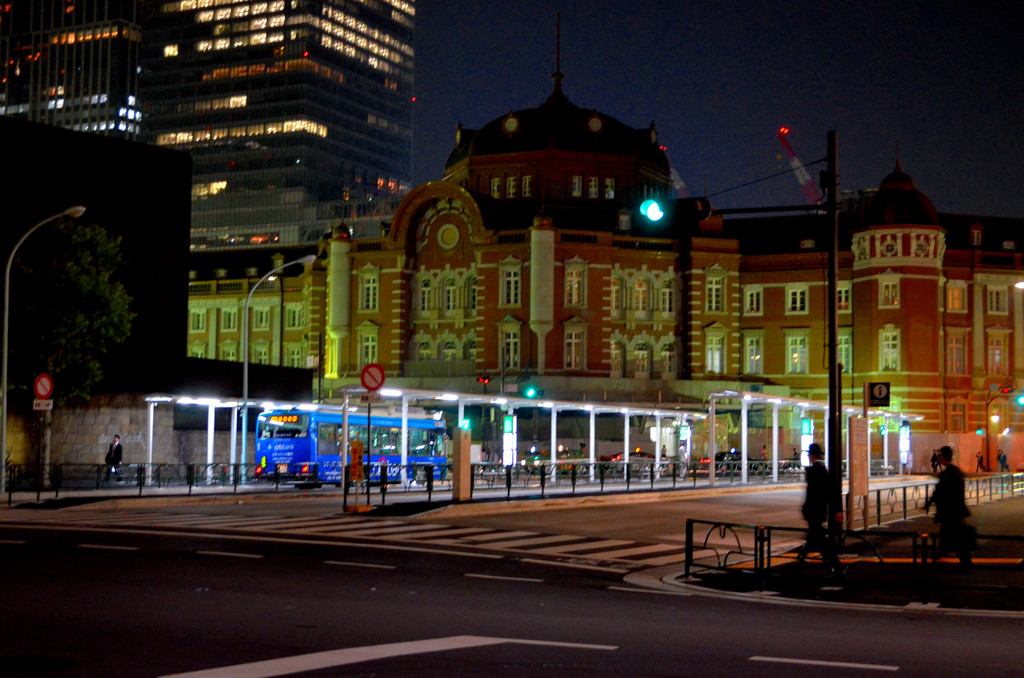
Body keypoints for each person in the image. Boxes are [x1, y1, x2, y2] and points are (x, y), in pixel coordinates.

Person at [924, 446, 974, 572]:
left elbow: (938, 492)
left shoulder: (947, 474)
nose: (939, 457)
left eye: (940, 455)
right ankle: (941, 556)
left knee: (957, 540)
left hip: (951, 513)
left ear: (944, 457)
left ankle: (964, 565)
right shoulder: (956, 472)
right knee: (950, 537)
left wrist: (929, 504)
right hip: (956, 511)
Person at [798, 443, 844, 579]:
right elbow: (832, 492)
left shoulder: (814, 472)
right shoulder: (823, 471)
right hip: (819, 511)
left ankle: (837, 569)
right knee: (818, 542)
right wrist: (837, 510)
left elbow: (811, 494)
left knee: (819, 543)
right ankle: (835, 568)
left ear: (812, 456)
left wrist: (805, 509)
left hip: (813, 513)